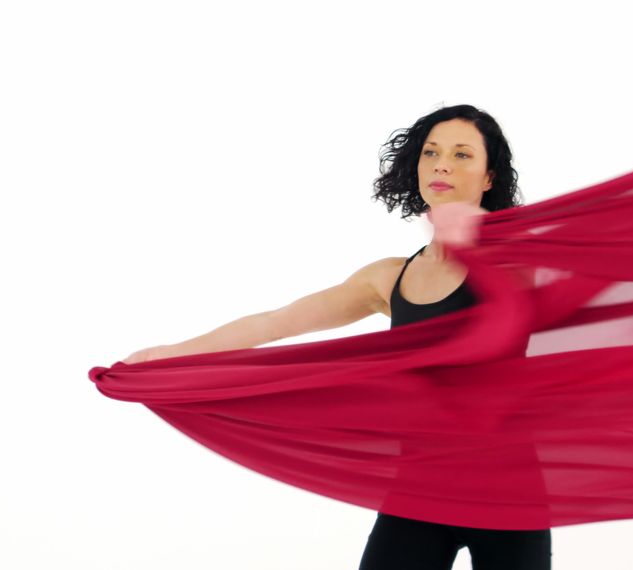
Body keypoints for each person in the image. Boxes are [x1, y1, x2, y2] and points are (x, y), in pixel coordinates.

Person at [122, 104, 552, 569]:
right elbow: (276, 322)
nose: (442, 164)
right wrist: (171, 355)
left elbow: (609, 287)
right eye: (431, 152)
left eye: (462, 154)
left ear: (489, 178)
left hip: (510, 495)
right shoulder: (388, 278)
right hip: (420, 492)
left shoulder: (523, 264)